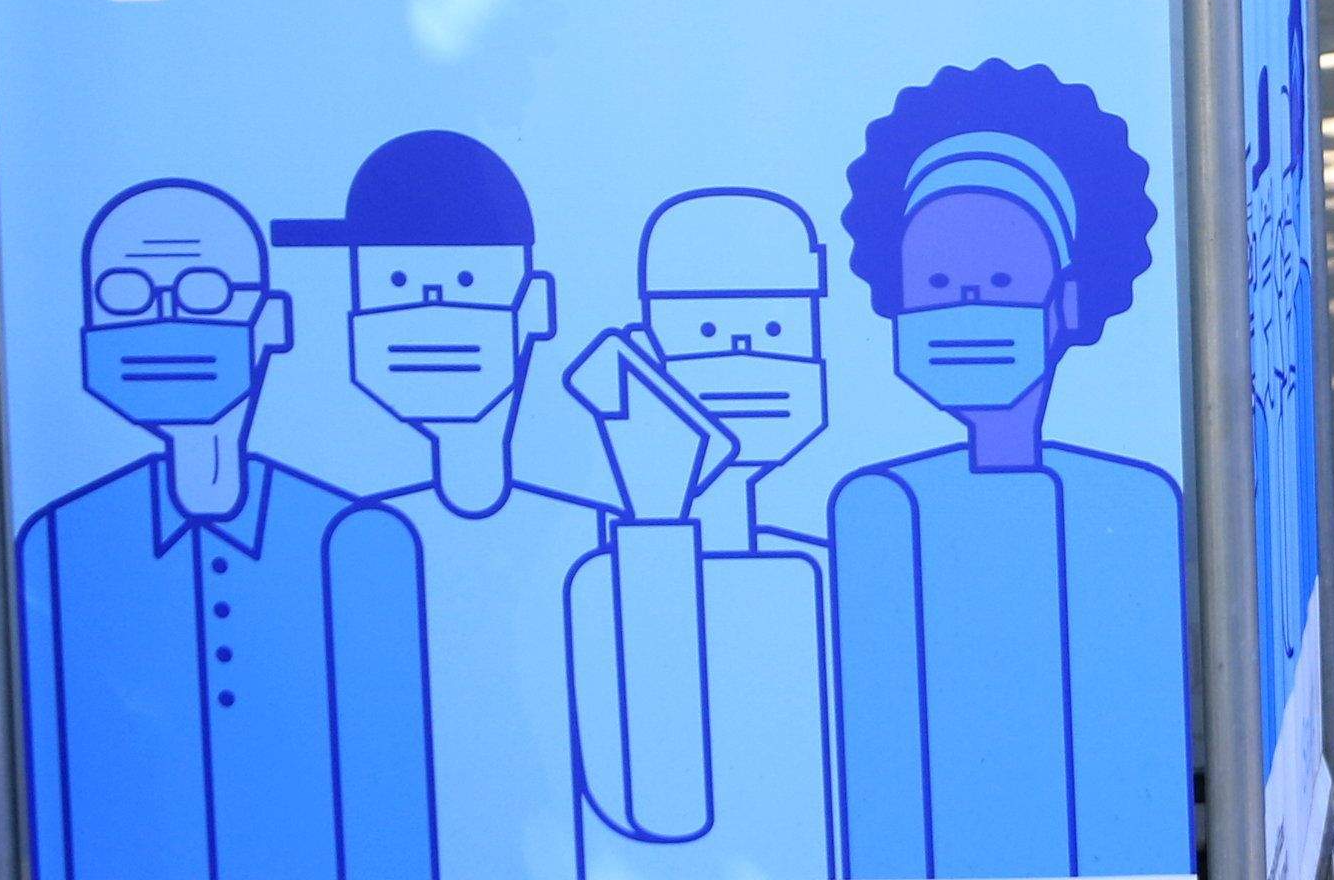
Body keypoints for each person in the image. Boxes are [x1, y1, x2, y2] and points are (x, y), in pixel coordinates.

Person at [16, 180, 436, 880]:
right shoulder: (61, 544)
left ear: (272, 322)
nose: (163, 320)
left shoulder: (358, 540)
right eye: (123, 296)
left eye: (204, 293)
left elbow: (389, 802)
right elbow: (56, 795)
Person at [829, 61, 1188, 876]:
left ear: (1067, 301)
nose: (966, 306)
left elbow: (1139, 753)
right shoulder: (880, 510)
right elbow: (880, 768)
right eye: (936, 284)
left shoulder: (1130, 507)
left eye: (999, 282)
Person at [276, 130, 609, 880]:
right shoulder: (351, 536)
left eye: (462, 282)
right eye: (394, 284)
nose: (427, 313)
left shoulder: (586, 533)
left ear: (535, 308)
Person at [562, 187, 838, 876]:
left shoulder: (832, 570)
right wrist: (657, 514)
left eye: (776, 330)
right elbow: (662, 806)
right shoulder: (605, 582)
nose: (746, 356)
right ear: (647, 358)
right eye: (706, 333)